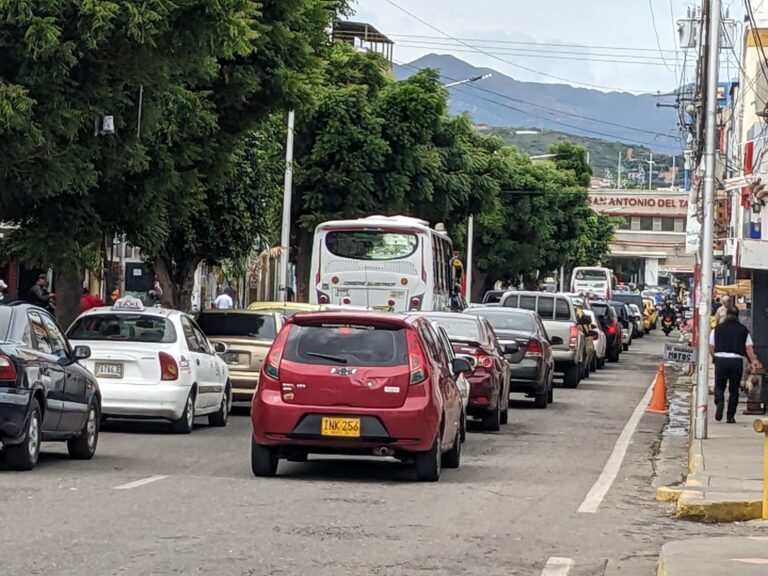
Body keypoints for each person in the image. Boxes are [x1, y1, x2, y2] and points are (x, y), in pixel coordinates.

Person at [709, 305, 762, 423]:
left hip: (720, 359)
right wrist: (753, 361)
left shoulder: (717, 329)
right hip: (736, 361)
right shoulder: (743, 330)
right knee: (734, 390)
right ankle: (730, 416)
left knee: (719, 386)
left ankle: (720, 401)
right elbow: (749, 348)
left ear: (727, 314)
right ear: (737, 316)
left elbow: (711, 346)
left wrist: (715, 357)